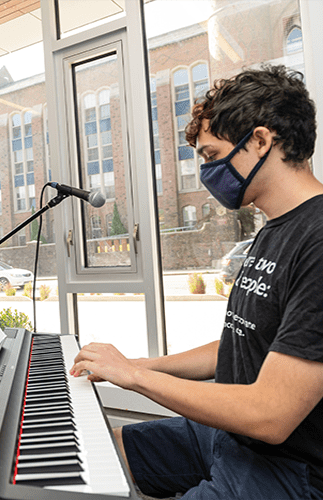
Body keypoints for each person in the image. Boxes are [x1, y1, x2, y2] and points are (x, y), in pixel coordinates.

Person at [70, 64, 323, 499]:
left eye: (210, 155)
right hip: (228, 438)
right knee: (89, 453)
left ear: (261, 141)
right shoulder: (273, 229)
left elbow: (270, 416)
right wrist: (140, 365)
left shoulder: (317, 240)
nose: (206, 172)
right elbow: (243, 341)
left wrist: (133, 376)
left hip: (289, 470)